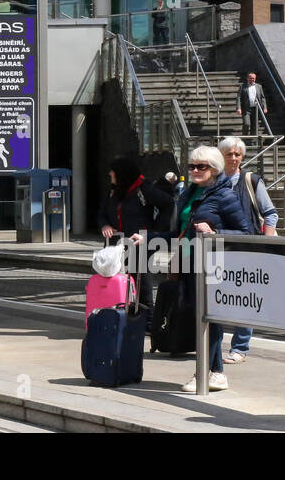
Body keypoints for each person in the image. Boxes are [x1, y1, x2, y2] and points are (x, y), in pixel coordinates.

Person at [176, 146, 251, 393]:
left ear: (215, 169)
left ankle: (203, 373)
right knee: (203, 319)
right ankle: (217, 373)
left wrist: (215, 233)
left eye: (202, 166)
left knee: (209, 318)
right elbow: (179, 230)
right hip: (190, 263)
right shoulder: (189, 193)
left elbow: (245, 232)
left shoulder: (224, 196)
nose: (195, 170)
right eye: (192, 166)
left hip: (213, 264)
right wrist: (147, 237)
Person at [217, 136, 279, 363]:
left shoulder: (251, 180)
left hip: (247, 247)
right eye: (229, 154)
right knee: (216, 296)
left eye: (237, 154)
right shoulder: (214, 181)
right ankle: (212, 345)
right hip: (218, 248)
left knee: (245, 297)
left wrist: (268, 241)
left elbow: (270, 213)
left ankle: (240, 348)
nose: (234, 158)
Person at [100, 156, 172, 307]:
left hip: (138, 242)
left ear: (121, 174)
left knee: (140, 281)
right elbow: (102, 212)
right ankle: (120, 313)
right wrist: (105, 225)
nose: (110, 174)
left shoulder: (144, 188)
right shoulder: (115, 190)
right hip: (116, 243)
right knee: (115, 280)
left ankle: (147, 320)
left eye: (113, 172)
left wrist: (154, 232)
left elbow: (168, 205)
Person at [238, 72, 268, 137]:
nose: (252, 80)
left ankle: (252, 141)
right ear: (247, 78)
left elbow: (262, 98)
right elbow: (239, 97)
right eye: (251, 78)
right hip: (246, 109)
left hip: (256, 109)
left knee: (254, 126)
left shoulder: (259, 86)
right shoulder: (242, 86)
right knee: (246, 124)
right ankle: (245, 137)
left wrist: (264, 107)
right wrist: (239, 108)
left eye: (254, 78)